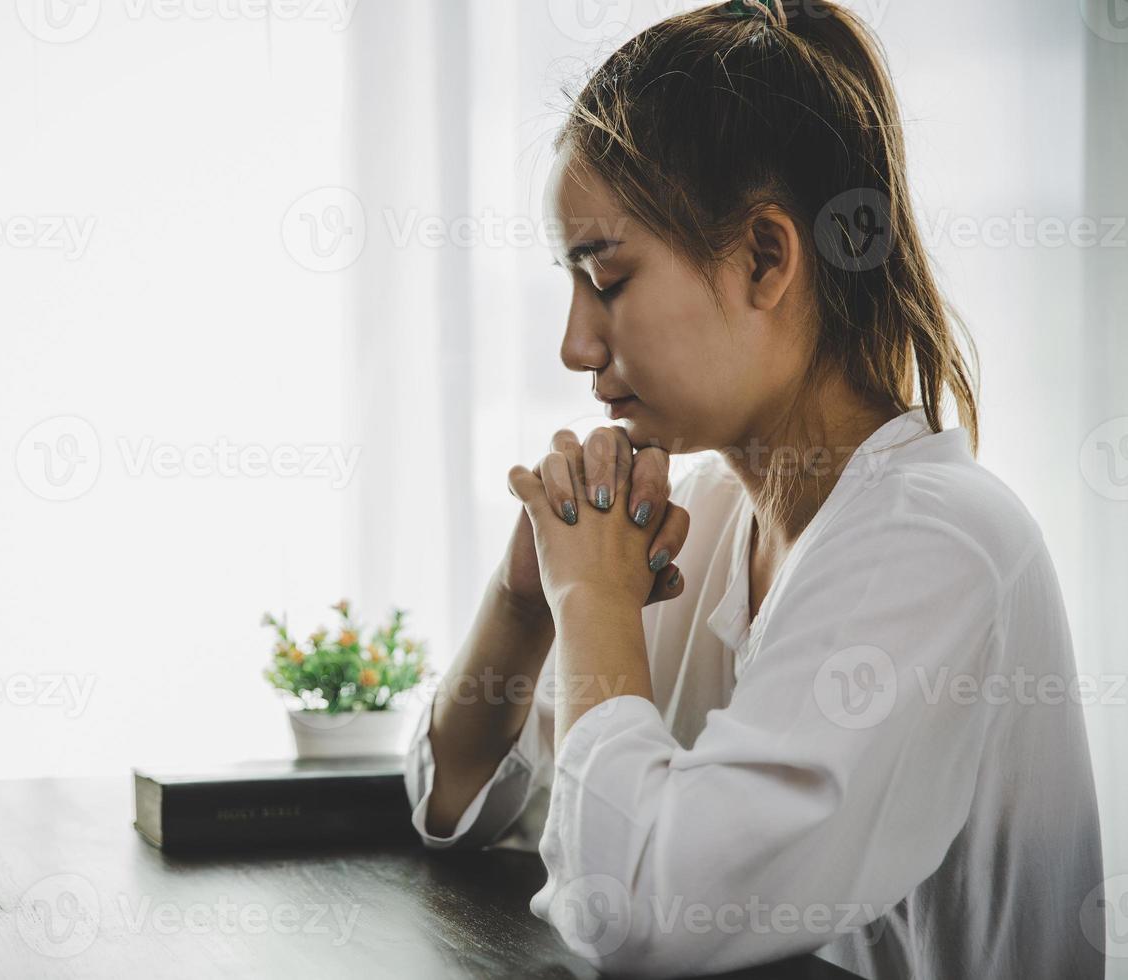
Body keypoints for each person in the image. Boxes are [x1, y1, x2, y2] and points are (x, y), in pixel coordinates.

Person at [402, 2, 1105, 977]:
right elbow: (459, 808)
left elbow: (636, 908)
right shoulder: (709, 516)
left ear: (765, 259)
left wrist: (593, 602)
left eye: (606, 278)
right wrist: (525, 605)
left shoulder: (936, 545)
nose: (574, 344)